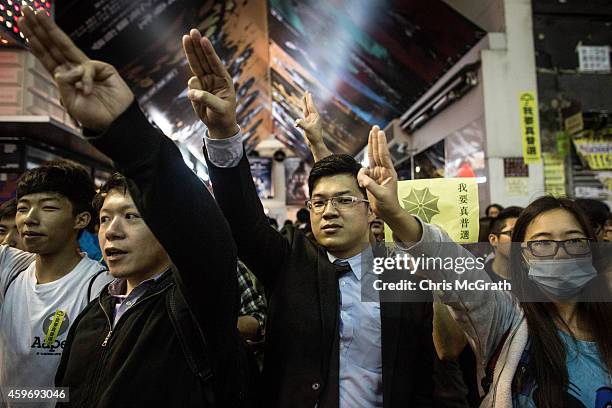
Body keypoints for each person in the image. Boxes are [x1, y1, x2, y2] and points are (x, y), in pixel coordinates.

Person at [19, 10, 255, 407]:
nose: (112, 231)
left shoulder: (191, 308)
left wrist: (127, 133)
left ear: (164, 226)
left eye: (132, 217)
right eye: (106, 218)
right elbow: (70, 394)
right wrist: (15, 397)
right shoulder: (96, 313)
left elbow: (205, 239)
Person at [188, 30, 433, 407]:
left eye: (342, 201)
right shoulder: (291, 262)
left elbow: (435, 366)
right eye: (318, 203)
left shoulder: (402, 274)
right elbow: (242, 219)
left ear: (372, 209)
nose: (328, 211)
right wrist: (223, 133)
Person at [0, 160, 112, 407]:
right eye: (23, 208)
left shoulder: (100, 289)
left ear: (81, 219)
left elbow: (92, 387)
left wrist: (20, 396)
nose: (29, 219)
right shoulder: (10, 270)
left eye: (48, 208)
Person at [485, 206, 523, 282]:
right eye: (513, 233)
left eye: (524, 234)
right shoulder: (477, 279)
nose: (522, 240)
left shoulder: (536, 279)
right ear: (493, 239)